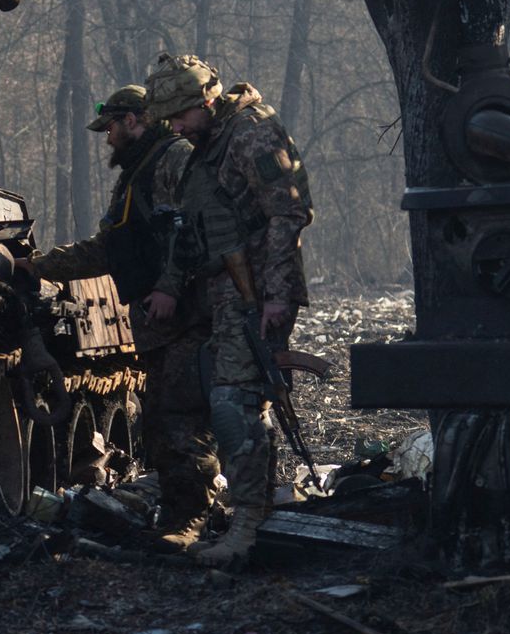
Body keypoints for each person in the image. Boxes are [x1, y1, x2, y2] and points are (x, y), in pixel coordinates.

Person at [16, 84, 220, 548]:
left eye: (110, 127)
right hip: (159, 322)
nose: (107, 139)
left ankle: (190, 522)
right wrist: (40, 266)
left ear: (134, 120)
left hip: (186, 316)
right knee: (161, 425)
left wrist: (169, 288)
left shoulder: (173, 160)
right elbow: (110, 248)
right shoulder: (137, 174)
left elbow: (194, 232)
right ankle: (177, 516)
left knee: (182, 422)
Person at [142, 54, 313, 567]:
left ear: (207, 102)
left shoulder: (251, 134)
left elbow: (289, 211)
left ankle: (247, 527)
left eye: (179, 116)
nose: (173, 127)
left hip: (258, 294)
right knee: (240, 405)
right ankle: (258, 514)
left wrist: (278, 296)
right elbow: (194, 229)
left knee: (230, 404)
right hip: (226, 296)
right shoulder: (208, 144)